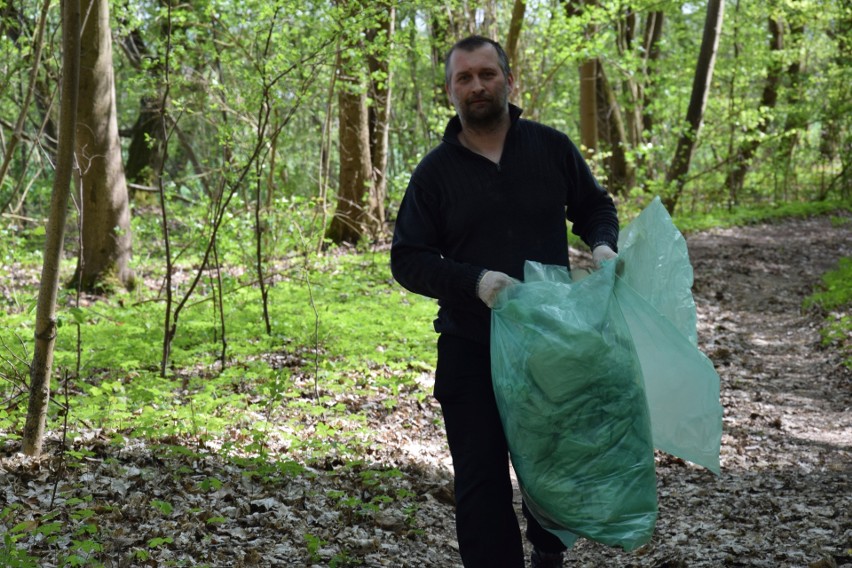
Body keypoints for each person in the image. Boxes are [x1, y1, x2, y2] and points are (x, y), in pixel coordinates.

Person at [390, 35, 620, 568]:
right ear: (450, 91)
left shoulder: (550, 147)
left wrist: (603, 242)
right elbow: (408, 258)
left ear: (509, 81)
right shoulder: (434, 174)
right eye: (464, 78)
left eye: (487, 74)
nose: (477, 85)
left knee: (551, 466)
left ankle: (547, 554)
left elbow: (593, 205)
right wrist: (476, 282)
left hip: (552, 343)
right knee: (480, 483)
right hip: (472, 347)